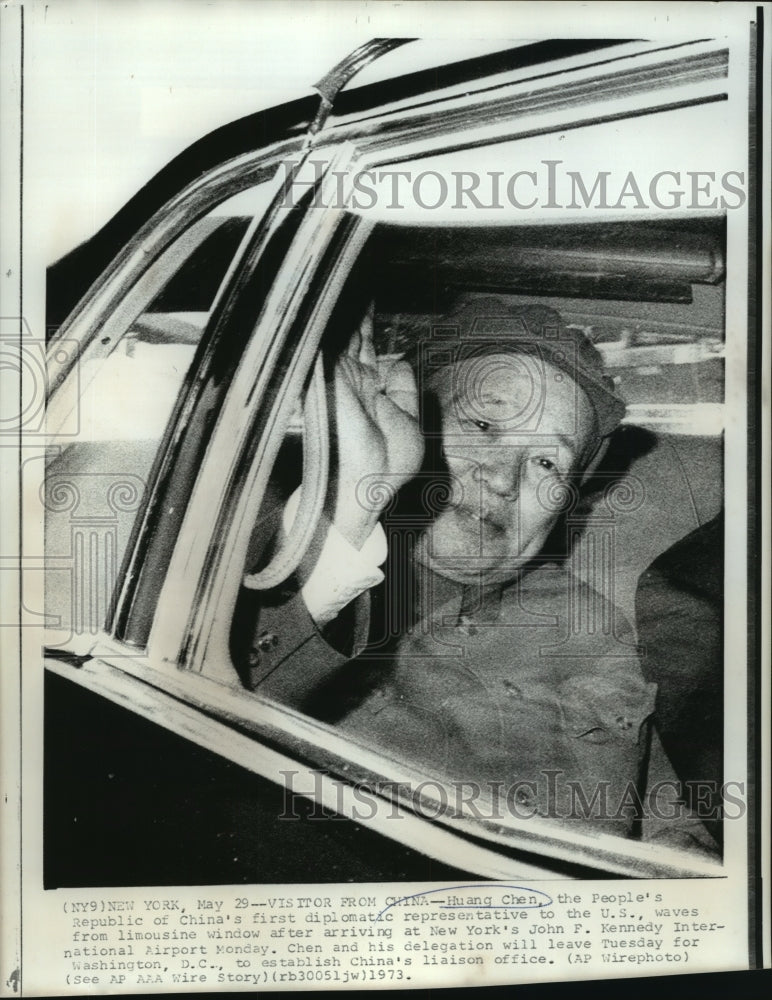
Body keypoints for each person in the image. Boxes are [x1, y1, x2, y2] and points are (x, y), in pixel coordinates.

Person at [237, 296, 716, 850]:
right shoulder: (284, 579)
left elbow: (662, 816)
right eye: (484, 423)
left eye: (546, 462)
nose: (505, 480)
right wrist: (349, 504)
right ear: (402, 416)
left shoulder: (594, 626)